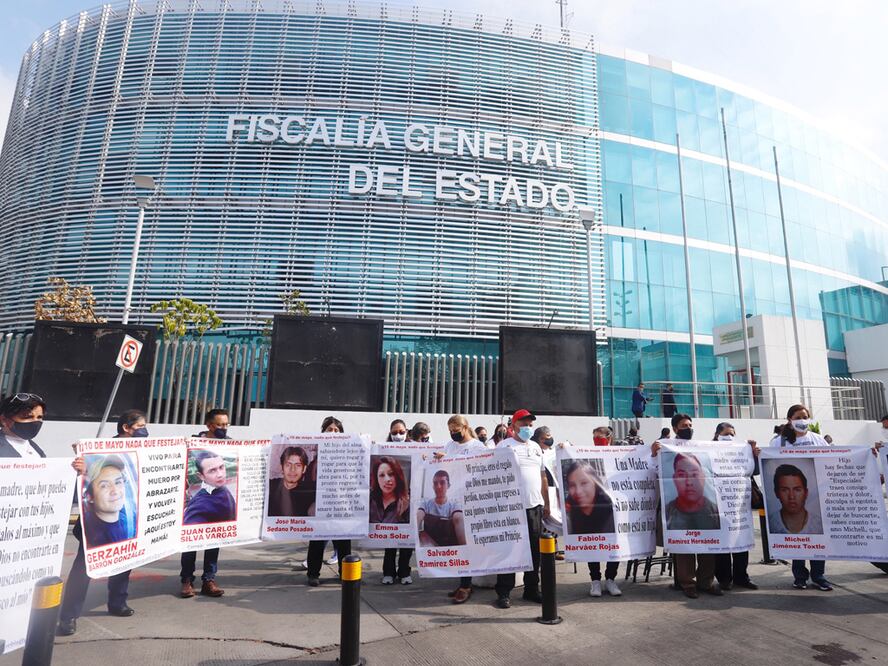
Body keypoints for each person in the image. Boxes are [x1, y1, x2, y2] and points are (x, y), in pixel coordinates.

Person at [58, 409, 145, 636]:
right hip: (93, 525)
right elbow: (83, 477)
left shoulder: (143, 449)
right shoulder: (101, 450)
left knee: (123, 561)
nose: (144, 431)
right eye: (140, 427)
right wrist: (81, 462)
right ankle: (68, 615)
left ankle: (117, 602)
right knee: (84, 569)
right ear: (126, 428)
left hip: (125, 519)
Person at [651, 413, 721, 598]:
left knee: (708, 546)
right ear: (675, 429)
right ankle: (687, 583)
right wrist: (653, 454)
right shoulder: (665, 448)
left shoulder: (700, 447)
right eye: (684, 426)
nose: (688, 428)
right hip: (679, 512)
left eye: (690, 425)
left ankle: (706, 582)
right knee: (683, 548)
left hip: (704, 513)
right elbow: (654, 470)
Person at [768, 404, 832, 591]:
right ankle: (800, 576)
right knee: (797, 538)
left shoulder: (818, 440)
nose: (802, 421)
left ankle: (818, 576)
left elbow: (831, 460)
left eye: (805, 417)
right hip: (793, 496)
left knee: (817, 537)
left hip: (817, 495)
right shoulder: (779, 442)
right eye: (798, 417)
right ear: (789, 420)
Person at [495, 409, 549, 609]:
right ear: (514, 425)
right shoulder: (504, 446)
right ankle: (504, 592)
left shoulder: (536, 447)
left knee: (534, 551)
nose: (528, 427)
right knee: (509, 550)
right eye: (524, 424)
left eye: (530, 424)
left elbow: (543, 476)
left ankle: (531, 589)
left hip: (534, 506)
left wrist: (546, 503)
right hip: (511, 508)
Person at [434, 414, 488, 604]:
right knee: (457, 542)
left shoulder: (478, 447)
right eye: (450, 431)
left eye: (456, 430)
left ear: (465, 428)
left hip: (471, 500)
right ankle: (463, 581)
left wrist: (449, 459)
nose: (453, 434)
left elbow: (478, 470)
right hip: (454, 500)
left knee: (467, 543)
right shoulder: (450, 445)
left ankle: (466, 585)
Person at [180, 409, 231, 599]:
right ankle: (187, 580)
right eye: (219, 424)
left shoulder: (229, 444)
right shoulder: (193, 443)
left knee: (213, 541)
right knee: (190, 541)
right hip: (194, 500)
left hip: (218, 500)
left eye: (226, 424)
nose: (224, 428)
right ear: (209, 425)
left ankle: (209, 580)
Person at [305, 415, 352, 586]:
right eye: (329, 430)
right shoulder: (316, 460)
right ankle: (313, 574)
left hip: (341, 505)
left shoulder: (349, 454)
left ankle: (345, 574)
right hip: (320, 506)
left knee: (343, 542)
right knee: (317, 541)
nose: (333, 433)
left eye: (336, 430)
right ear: (323, 432)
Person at [712, 422, 759, 591]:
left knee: (740, 542)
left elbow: (754, 471)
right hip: (719, 505)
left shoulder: (741, 450)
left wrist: (753, 455)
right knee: (723, 543)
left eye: (732, 434)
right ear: (717, 435)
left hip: (739, 505)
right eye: (726, 434)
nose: (729, 437)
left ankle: (741, 577)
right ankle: (724, 579)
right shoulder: (709, 450)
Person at [379, 419, 414, 585]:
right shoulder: (383, 449)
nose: (398, 435)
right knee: (390, 539)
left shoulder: (415, 449)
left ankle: (404, 572)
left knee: (407, 541)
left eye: (401, 432)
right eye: (394, 432)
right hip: (390, 500)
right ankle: (388, 573)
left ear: (407, 432)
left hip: (410, 500)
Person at [664, 453, 721, 531]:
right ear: (674, 479)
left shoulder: (718, 513)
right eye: (682, 475)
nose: (689, 482)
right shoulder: (665, 513)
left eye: (694, 475)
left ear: (703, 477)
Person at [769, 464, 823, 535]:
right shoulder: (770, 523)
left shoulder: (819, 526)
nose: (791, 496)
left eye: (797, 490)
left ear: (806, 493)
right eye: (785, 490)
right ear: (776, 493)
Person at [417, 470, 466, 547]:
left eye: (442, 483)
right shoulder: (426, 504)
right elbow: (418, 517)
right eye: (435, 483)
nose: (438, 486)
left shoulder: (454, 505)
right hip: (430, 548)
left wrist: (464, 549)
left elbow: (458, 518)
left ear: (448, 485)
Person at [267, 446, 316, 516]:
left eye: (298, 465)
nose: (292, 469)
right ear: (282, 467)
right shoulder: (270, 486)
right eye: (288, 465)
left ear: (304, 469)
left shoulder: (309, 492)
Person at [0, 392, 46, 457]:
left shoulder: (37, 449)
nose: (35, 421)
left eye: (39, 417)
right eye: (28, 417)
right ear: (4, 420)